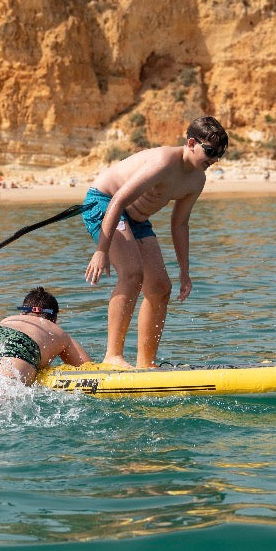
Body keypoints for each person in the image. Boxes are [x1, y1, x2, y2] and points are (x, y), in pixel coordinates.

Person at [82, 115, 228, 368]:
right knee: (132, 274)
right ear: (192, 142)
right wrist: (101, 250)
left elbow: (179, 224)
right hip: (105, 202)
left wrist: (185, 272)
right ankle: (112, 357)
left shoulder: (197, 179)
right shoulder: (163, 162)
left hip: (137, 219)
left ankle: (145, 364)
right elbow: (118, 200)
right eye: (210, 151)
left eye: (219, 155)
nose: (214, 159)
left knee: (161, 287)